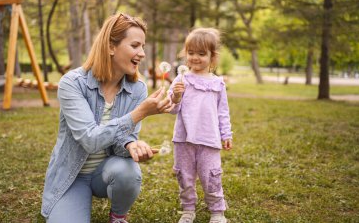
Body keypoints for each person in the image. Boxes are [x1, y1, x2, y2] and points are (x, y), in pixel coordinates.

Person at [41, 13, 173, 223]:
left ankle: (118, 216)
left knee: (127, 171)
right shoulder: (73, 83)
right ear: (111, 47)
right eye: (135, 45)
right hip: (71, 177)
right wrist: (140, 113)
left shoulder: (137, 89)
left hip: (106, 172)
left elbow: (122, 142)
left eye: (143, 47)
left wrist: (132, 145)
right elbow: (90, 139)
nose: (142, 54)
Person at [168, 28, 233, 223]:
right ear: (185, 53)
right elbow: (171, 109)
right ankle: (188, 209)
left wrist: (226, 134)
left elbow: (223, 112)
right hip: (183, 140)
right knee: (185, 176)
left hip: (209, 139)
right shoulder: (181, 80)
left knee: (211, 176)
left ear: (213, 57)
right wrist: (176, 96)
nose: (195, 57)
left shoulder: (218, 84)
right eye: (191, 53)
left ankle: (217, 210)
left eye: (201, 54)